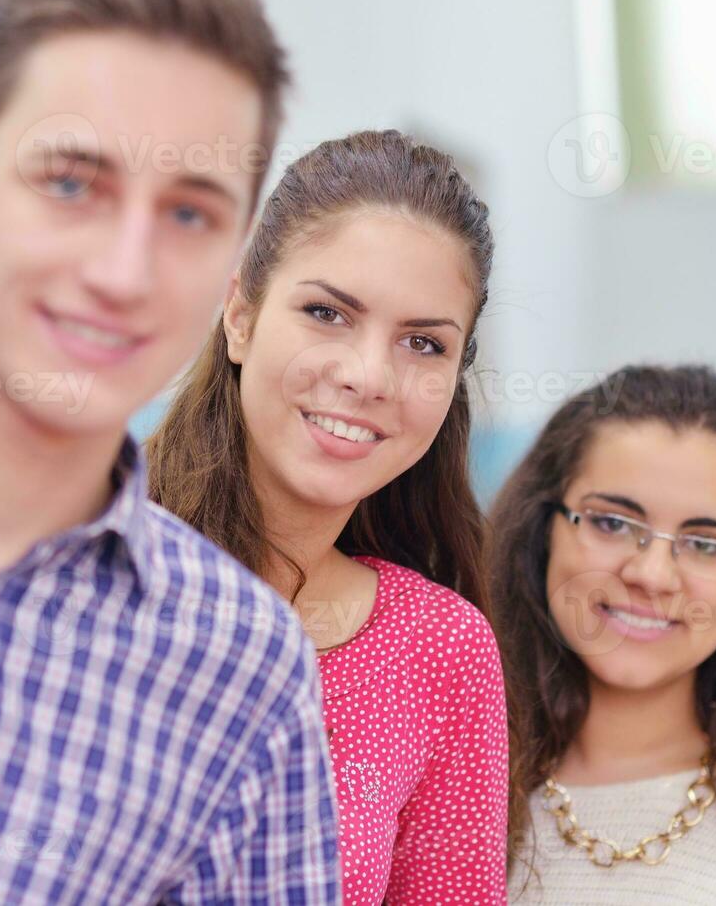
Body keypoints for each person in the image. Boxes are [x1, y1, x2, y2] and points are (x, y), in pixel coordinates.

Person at [0, 0, 339, 903]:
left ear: (234, 262)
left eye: (189, 212)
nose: (121, 273)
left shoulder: (246, 668)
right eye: (70, 183)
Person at [149, 129, 509, 903]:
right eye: (327, 313)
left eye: (423, 342)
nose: (369, 376)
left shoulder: (441, 650)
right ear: (240, 315)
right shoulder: (91, 560)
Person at [492, 365, 716, 905]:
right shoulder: (446, 773)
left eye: (706, 544)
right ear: (541, 528)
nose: (652, 575)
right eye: (612, 523)